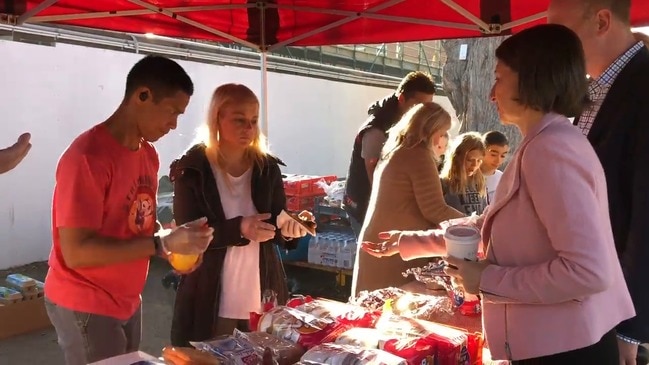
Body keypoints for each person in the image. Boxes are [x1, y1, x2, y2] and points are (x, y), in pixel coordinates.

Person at [362, 24, 634, 364]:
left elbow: (587, 271)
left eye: (500, 78)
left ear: (531, 79)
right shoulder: (543, 143)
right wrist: (411, 241)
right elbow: (488, 225)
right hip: (558, 342)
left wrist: (488, 278)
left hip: (566, 348)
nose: (492, 92)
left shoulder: (551, 151)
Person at [44, 55, 215, 365]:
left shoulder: (148, 155)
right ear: (142, 95)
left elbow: (139, 229)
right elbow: (77, 252)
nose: (174, 124)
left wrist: (173, 244)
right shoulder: (88, 157)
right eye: (172, 112)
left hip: (127, 299)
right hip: (86, 300)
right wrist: (159, 244)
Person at [169, 83, 309, 346]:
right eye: (239, 120)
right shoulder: (192, 169)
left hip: (261, 292)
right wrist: (239, 229)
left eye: (254, 121)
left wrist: (290, 229)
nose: (248, 128)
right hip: (210, 293)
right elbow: (186, 235)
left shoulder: (267, 167)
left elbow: (277, 221)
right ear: (217, 119)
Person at [548, 0, 649, 362]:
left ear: (602, 21)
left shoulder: (642, 85)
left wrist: (629, 327)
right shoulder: (600, 87)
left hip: (614, 311)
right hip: (585, 301)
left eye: (559, 34)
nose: (551, 46)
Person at [351, 102, 464, 295]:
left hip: (384, 243)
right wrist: (473, 225)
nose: (443, 138)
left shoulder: (398, 150)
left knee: (373, 309)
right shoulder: (418, 155)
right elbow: (435, 209)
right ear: (431, 130)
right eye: (443, 132)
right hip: (393, 250)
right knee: (388, 312)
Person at [343, 71, 436, 238]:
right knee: (373, 255)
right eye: (419, 106)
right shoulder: (376, 130)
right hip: (366, 204)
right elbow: (375, 176)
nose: (424, 113)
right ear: (402, 98)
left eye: (428, 107)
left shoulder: (408, 124)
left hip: (391, 205)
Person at [439, 132, 488, 216]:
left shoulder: (480, 183)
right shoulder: (443, 183)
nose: (475, 164)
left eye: (479, 160)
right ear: (456, 158)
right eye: (470, 160)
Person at [480, 131, 509, 205]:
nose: (498, 160)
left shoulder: (504, 179)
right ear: (481, 151)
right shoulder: (470, 178)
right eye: (493, 155)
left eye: (502, 156)